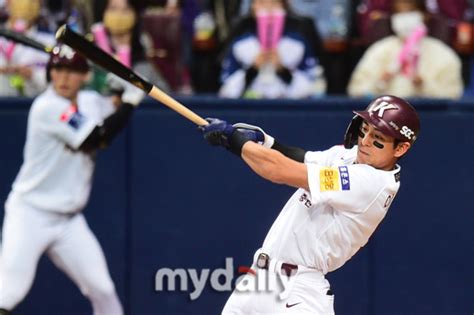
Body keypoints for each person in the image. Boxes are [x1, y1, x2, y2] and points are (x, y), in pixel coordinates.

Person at [199, 94, 420, 314]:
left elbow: (278, 170)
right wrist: (266, 142)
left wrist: (234, 141)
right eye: (365, 129)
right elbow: (302, 158)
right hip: (258, 279)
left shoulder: (372, 183)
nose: (364, 140)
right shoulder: (352, 156)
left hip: (299, 292)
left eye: (377, 137)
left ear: (400, 149)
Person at [0, 44, 144, 315]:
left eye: (72, 70)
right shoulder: (48, 106)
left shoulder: (89, 101)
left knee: (103, 291)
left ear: (85, 75)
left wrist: (119, 88)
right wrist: (130, 101)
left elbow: (108, 107)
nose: (64, 78)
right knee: (9, 291)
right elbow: (98, 137)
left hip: (68, 221)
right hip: (30, 213)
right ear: (50, 73)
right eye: (58, 69)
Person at [347, 0, 463, 99]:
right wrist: (379, 83)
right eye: (399, 13)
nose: (404, 18)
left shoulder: (444, 55)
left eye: (410, 12)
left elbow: (454, 95)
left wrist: (424, 86)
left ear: (424, 16)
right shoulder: (378, 50)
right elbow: (355, 91)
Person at [219, 0, 326, 99]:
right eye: (262, 3)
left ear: (284, 7)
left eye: (274, 4)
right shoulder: (240, 44)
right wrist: (252, 69)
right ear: (252, 8)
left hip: (287, 108)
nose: (268, 10)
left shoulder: (298, 43)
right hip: (249, 108)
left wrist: (283, 71)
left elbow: (313, 89)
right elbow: (227, 90)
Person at [0, 0, 55, 97]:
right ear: (8, 3)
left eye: (34, 1)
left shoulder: (50, 42)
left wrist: (32, 74)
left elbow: (57, 83)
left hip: (35, 103)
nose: (28, 5)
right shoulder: (2, 37)